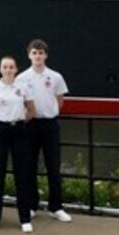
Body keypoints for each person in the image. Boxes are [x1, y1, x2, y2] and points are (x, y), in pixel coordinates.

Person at [17, 39, 71, 222]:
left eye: (41, 53)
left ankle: (56, 207)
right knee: (29, 166)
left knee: (53, 166)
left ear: (46, 55)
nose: (37, 56)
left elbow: (60, 100)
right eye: (34, 52)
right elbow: (18, 101)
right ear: (29, 55)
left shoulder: (55, 77)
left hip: (50, 125)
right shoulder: (21, 78)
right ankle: (32, 205)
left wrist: (49, 112)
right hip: (30, 125)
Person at [0, 56, 35, 233]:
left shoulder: (23, 87)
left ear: (16, 69)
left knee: (23, 175)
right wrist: (0, 124)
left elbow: (31, 110)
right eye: (5, 66)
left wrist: (18, 121)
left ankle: (25, 219)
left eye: (11, 67)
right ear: (0, 69)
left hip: (19, 131)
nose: (8, 69)